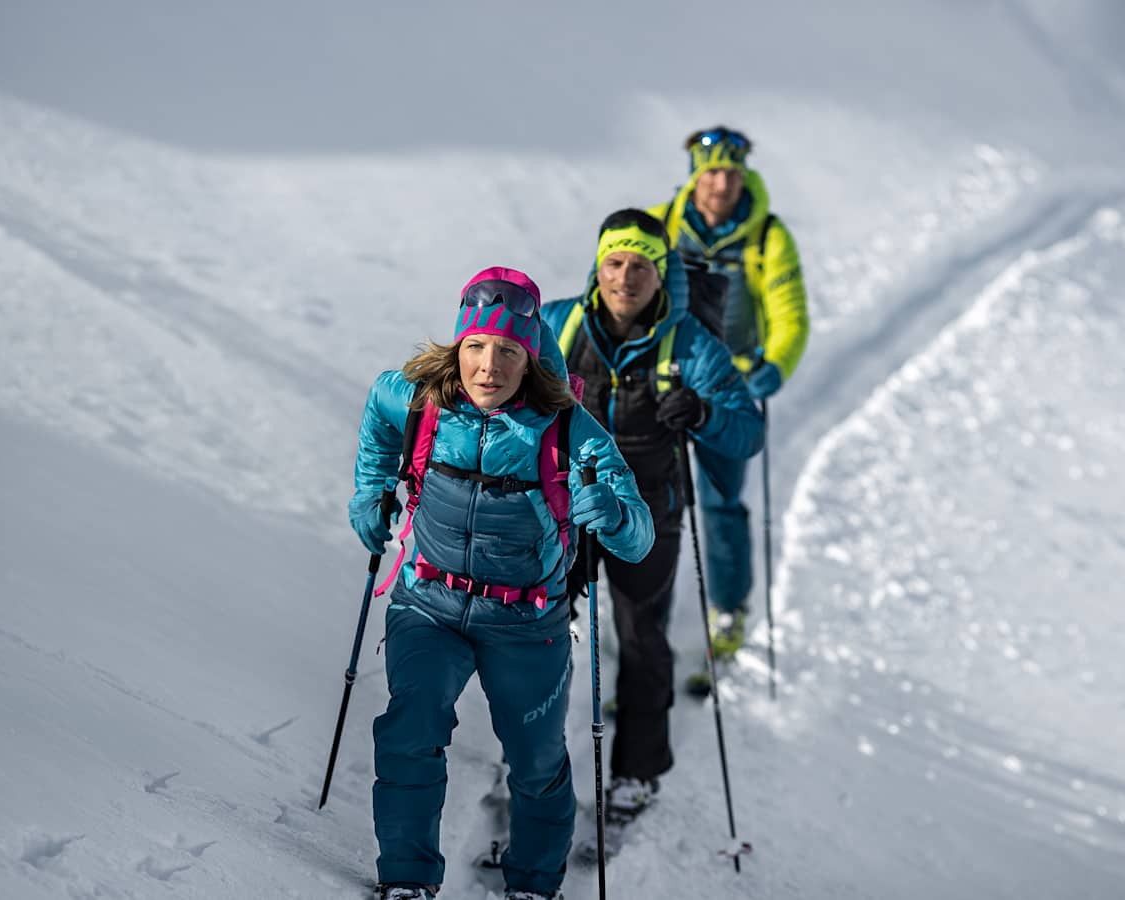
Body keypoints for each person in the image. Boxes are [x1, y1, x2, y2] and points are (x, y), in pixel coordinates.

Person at [347, 266, 655, 900]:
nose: (489, 366)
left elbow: (638, 535)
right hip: (427, 605)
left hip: (525, 623)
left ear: (530, 356)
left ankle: (536, 885)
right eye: (476, 348)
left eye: (508, 351)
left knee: (538, 762)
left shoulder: (570, 430)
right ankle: (406, 880)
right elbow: (378, 425)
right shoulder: (413, 398)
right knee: (410, 733)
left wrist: (615, 517)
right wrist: (371, 492)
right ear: (458, 347)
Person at [541, 210, 764, 833]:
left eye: (642, 264)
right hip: (566, 504)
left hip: (649, 510)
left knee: (642, 636)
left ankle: (637, 771)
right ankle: (531, 761)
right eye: (615, 261)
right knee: (541, 627)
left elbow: (747, 432)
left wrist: (700, 412)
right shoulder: (558, 325)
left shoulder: (689, 342)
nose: (625, 276)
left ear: (661, 273)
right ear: (598, 264)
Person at [648, 125, 809, 659]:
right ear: (695, 174)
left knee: (719, 501)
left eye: (730, 172)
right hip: (666, 378)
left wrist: (775, 364)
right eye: (711, 171)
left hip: (731, 387)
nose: (721, 183)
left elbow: (790, 313)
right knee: (658, 500)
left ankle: (729, 607)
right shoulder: (661, 223)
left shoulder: (768, 235)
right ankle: (647, 619)